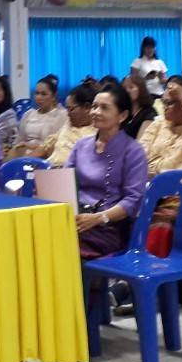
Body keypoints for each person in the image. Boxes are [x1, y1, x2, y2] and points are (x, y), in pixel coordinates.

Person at [66, 83, 149, 259]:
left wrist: (98, 218)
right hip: (77, 220)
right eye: (94, 106)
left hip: (108, 227)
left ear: (122, 115)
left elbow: (133, 200)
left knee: (60, 245)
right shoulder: (81, 146)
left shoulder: (133, 151)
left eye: (104, 108)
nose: (95, 112)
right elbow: (64, 183)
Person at [42, 81, 97, 167]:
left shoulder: (97, 133)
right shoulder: (67, 124)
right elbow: (44, 148)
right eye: (67, 109)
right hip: (50, 170)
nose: (67, 114)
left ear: (87, 107)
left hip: (72, 175)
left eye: (71, 109)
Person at [12, 75, 66, 157]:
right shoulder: (28, 114)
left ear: (53, 96)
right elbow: (19, 140)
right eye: (37, 93)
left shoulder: (61, 115)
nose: (39, 97)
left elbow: (56, 145)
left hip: (46, 156)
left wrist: (31, 147)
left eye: (43, 94)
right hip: (23, 154)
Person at [122, 72, 157, 139]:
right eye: (124, 88)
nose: (127, 91)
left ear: (141, 89)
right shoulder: (123, 112)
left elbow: (142, 142)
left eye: (131, 87)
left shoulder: (149, 113)